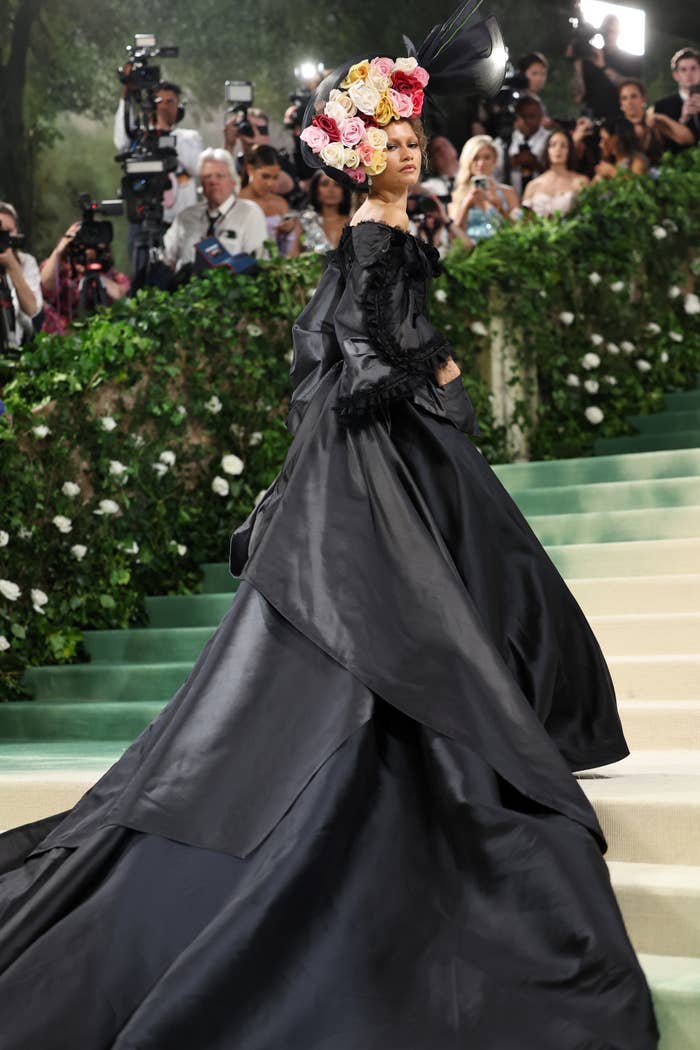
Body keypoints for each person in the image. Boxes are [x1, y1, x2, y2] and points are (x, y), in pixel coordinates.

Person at [0, 17, 659, 1049]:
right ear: (356, 156)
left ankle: (465, 714)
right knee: (426, 594)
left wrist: (423, 366)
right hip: (387, 452)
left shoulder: (393, 228)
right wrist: (429, 376)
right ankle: (438, 730)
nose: (404, 147)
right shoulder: (368, 233)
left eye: (410, 135)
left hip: (406, 448)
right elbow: (352, 352)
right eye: (387, 138)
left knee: (471, 576)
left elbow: (360, 340)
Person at [114, 77, 203, 263]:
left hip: (180, 220)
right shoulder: (140, 137)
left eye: (170, 102)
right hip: (144, 219)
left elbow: (195, 166)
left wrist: (163, 131)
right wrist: (126, 95)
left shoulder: (188, 137)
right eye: (158, 101)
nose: (163, 106)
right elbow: (121, 142)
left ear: (179, 107)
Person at [162, 148, 266, 273]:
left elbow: (258, 262)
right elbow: (167, 260)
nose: (213, 181)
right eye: (207, 177)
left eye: (220, 176)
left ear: (233, 181)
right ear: (201, 183)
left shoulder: (249, 213)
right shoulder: (185, 217)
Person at [39, 224, 129, 333]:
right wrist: (59, 249)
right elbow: (45, 285)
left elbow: (123, 296)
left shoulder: (110, 275)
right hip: (60, 336)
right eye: (81, 247)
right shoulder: (61, 270)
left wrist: (97, 277)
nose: (87, 253)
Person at [450, 135, 519, 242]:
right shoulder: (457, 194)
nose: (481, 163)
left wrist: (499, 208)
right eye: (475, 158)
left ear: (494, 160)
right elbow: (453, 235)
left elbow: (518, 230)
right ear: (468, 161)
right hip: (471, 254)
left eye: (486, 157)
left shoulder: (508, 192)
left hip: (503, 250)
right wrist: (466, 205)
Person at [239, 144, 301, 257]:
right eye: (265, 176)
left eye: (275, 177)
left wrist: (287, 232)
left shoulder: (280, 203)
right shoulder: (237, 202)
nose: (270, 183)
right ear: (250, 169)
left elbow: (289, 251)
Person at [618, 79, 693, 164]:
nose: (629, 102)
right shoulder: (615, 128)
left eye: (633, 96)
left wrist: (663, 118)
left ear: (643, 98)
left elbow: (688, 139)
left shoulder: (656, 122)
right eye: (624, 98)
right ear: (621, 103)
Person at [0, 202, 42, 350]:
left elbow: (31, 309)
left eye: (8, 231)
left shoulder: (27, 262)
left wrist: (12, 266)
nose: (3, 237)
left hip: (14, 345)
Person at [522, 127, 589, 217]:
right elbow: (525, 221)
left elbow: (587, 215)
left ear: (569, 151)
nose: (558, 149)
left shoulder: (581, 181)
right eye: (553, 145)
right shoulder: (533, 185)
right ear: (547, 150)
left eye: (563, 146)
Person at [494, 96, 549, 197]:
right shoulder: (502, 142)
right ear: (516, 117)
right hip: (509, 202)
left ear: (541, 117)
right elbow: (492, 175)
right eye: (523, 116)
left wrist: (537, 165)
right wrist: (510, 163)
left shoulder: (550, 140)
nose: (527, 121)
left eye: (532, 116)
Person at [654, 48, 700, 153]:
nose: (689, 74)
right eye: (683, 70)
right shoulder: (662, 106)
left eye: (693, 68)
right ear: (676, 75)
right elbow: (662, 146)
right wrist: (682, 120)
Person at [299, 170, 352, 252]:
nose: (331, 190)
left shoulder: (354, 223)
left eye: (337, 185)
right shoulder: (304, 222)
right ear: (315, 190)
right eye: (325, 184)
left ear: (344, 190)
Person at [420, 134, 460, 204]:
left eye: (445, 145)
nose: (442, 150)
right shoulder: (428, 187)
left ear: (454, 149)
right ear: (432, 161)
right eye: (437, 150)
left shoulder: (472, 177)